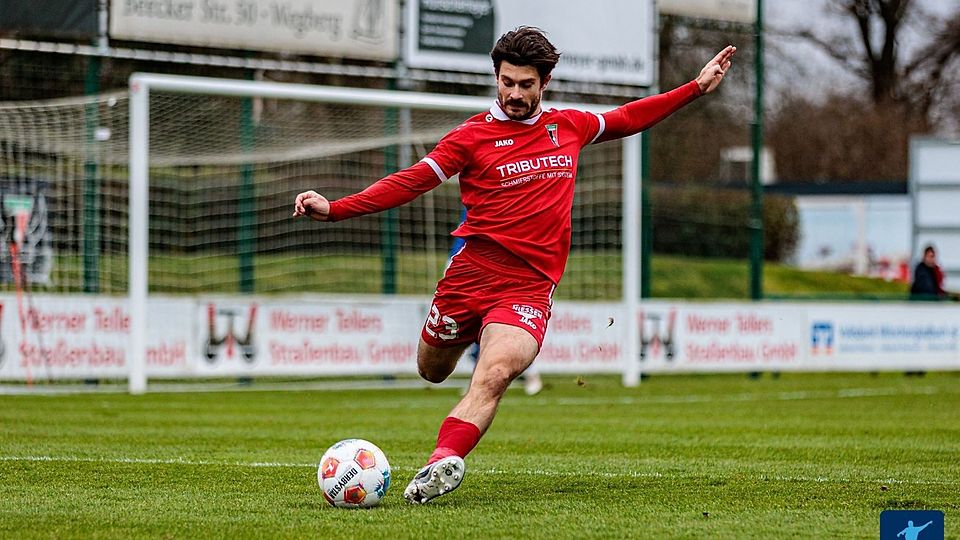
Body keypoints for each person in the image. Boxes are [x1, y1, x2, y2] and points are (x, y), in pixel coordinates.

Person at [294, 27, 735, 504]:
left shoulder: (568, 126)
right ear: (496, 77)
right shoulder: (471, 137)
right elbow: (411, 181)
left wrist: (693, 88)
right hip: (468, 277)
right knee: (432, 370)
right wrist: (335, 207)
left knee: (497, 372)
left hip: (527, 286)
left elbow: (628, 117)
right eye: (506, 82)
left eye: (526, 84)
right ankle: (461, 364)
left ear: (544, 83)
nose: (514, 94)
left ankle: (441, 462)